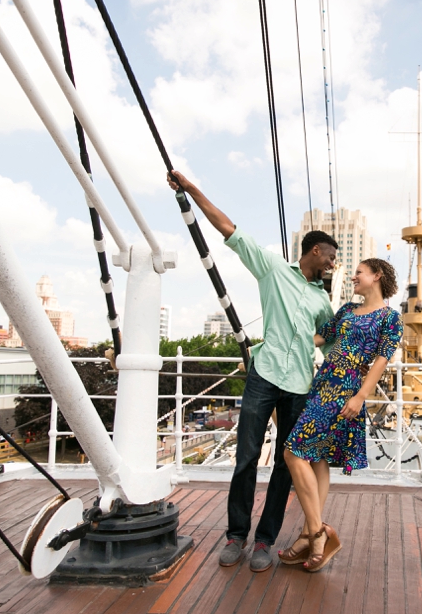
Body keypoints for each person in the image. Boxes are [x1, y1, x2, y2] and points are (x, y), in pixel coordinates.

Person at [167, 170, 337, 572]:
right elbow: (230, 230)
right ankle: (236, 535)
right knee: (245, 458)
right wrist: (192, 188)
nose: (333, 263)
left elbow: (331, 344)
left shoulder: (322, 302)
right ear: (314, 251)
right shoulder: (274, 270)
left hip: (300, 386)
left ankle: (265, 541)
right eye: (330, 256)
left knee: (284, 465)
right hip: (264, 377)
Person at [279, 258, 403, 572]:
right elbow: (320, 337)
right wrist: (278, 348)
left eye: (359, 273)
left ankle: (318, 533)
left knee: (293, 453)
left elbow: (381, 360)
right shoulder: (347, 310)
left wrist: (362, 396)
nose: (354, 278)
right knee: (316, 456)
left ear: (376, 276)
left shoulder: (390, 317)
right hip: (323, 382)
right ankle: (309, 535)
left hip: (346, 391)